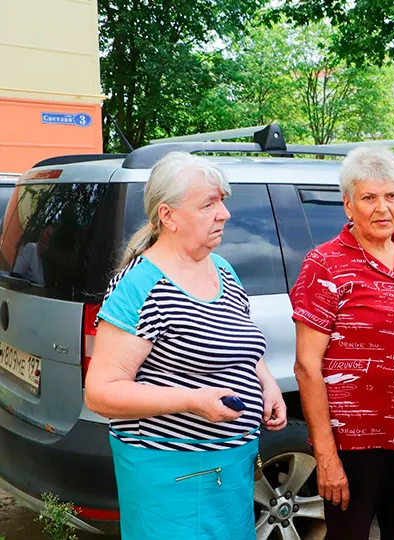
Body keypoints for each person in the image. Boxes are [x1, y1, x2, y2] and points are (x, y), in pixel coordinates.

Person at [84, 152, 288, 540]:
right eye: (209, 203)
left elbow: (240, 340)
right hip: (170, 475)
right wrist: (192, 400)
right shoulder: (141, 286)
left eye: (222, 201)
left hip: (230, 467)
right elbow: (100, 392)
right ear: (169, 215)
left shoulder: (222, 268)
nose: (224, 214)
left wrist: (266, 383)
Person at [290, 145, 394, 540]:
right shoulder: (324, 264)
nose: (382, 208)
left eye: (391, 196)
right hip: (354, 444)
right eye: (369, 198)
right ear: (348, 206)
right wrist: (326, 456)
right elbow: (306, 366)